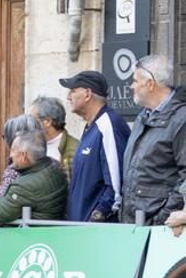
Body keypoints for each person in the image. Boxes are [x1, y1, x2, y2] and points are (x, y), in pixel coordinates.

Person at [121, 53, 186, 225]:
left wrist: (163, 216)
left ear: (150, 84)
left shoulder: (181, 119)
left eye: (135, 81)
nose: (131, 86)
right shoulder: (143, 117)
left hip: (158, 227)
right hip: (135, 223)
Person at [61, 70, 130, 222]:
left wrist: (99, 216)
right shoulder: (91, 127)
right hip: (82, 228)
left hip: (98, 231)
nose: (68, 97)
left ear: (87, 94)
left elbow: (116, 184)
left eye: (72, 91)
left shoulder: (109, 125)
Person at [0, 130, 68, 225]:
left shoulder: (25, 186)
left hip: (30, 240)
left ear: (24, 156)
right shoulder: (54, 168)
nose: (10, 155)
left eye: (13, 150)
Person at [29, 95, 75, 185]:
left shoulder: (74, 150)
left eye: (31, 119)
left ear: (47, 122)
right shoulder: (30, 144)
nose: (28, 123)